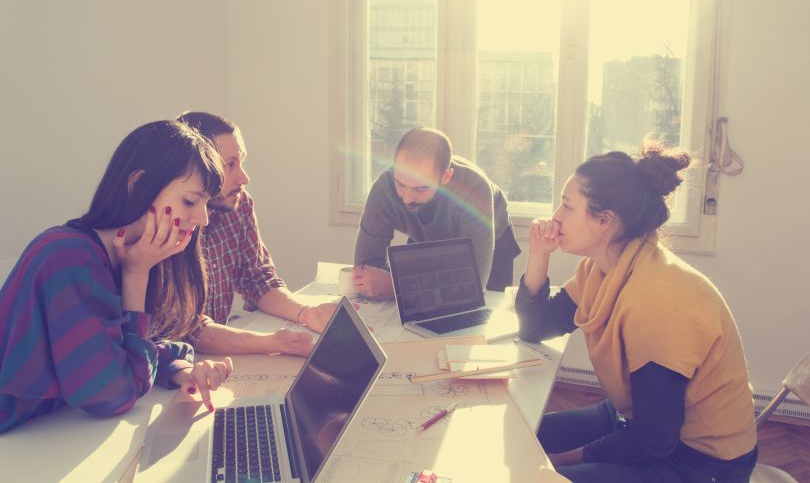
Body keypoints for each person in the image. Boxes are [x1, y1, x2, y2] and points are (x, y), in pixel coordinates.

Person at [516, 142, 757, 482]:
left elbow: (653, 441)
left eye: (567, 207)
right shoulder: (601, 270)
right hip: (637, 419)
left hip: (701, 462)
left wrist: (558, 462)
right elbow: (536, 327)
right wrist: (539, 254)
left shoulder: (657, 299)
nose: (555, 216)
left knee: (541, 474)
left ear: (605, 220)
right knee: (522, 436)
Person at [0, 120, 233, 434]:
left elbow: (124, 350)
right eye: (190, 201)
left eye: (206, 204)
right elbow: (111, 394)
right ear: (138, 186)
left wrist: (181, 370)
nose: (202, 219)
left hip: (38, 438)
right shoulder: (69, 258)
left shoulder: (125, 254)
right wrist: (136, 276)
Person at [175, 111, 336, 357]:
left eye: (241, 161)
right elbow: (186, 329)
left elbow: (257, 279)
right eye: (229, 165)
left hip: (216, 357)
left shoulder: (239, 204)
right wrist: (274, 343)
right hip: (173, 366)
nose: (244, 177)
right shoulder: (170, 222)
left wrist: (306, 313)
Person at [354, 127, 520, 298]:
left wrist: (395, 285)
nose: (407, 199)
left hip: (489, 235)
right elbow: (365, 268)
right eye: (401, 185)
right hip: (425, 234)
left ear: (446, 177)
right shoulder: (384, 188)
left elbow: (474, 284)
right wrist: (399, 285)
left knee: (482, 310)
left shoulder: (475, 190)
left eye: (420, 188)